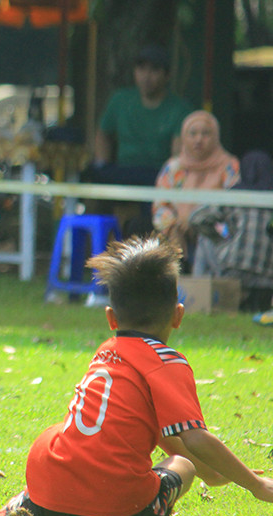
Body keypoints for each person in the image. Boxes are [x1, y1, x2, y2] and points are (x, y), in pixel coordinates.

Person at [0, 235, 273, 516]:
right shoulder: (166, 362)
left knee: (62, 450)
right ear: (178, 315)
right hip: (121, 514)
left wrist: (217, 472)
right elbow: (193, 439)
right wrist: (255, 483)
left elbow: (151, 431)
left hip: (54, 497)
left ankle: (18, 513)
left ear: (111, 317)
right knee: (183, 465)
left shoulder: (107, 352)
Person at [89, 45, 193, 234]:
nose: (146, 76)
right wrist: (102, 162)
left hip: (157, 173)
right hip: (122, 171)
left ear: (167, 76)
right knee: (92, 174)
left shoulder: (179, 108)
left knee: (162, 198)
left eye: (154, 70)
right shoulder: (120, 99)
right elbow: (103, 134)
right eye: (141, 69)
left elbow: (177, 156)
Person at [152, 110, 239, 272]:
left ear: (216, 136)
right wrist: (174, 226)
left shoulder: (229, 165)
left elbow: (234, 209)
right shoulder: (173, 167)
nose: (199, 140)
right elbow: (160, 206)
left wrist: (198, 221)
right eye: (193, 134)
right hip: (178, 231)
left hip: (217, 230)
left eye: (206, 134)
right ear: (184, 137)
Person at [189, 149, 273, 315]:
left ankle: (196, 294)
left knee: (204, 240)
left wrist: (226, 237)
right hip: (268, 276)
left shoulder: (235, 197)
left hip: (233, 269)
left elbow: (196, 218)